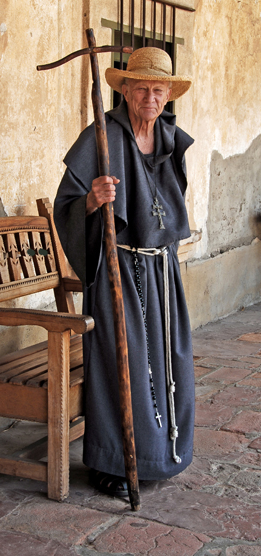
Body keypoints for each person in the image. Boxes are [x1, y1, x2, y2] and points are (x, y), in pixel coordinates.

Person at [54, 47, 195, 497]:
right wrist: (92, 201)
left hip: (161, 274)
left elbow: (166, 207)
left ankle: (165, 453)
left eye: (158, 90)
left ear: (168, 94)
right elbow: (66, 207)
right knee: (123, 364)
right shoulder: (103, 137)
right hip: (118, 269)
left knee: (171, 361)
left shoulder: (172, 138)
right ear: (125, 92)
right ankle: (111, 464)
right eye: (141, 90)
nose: (149, 98)